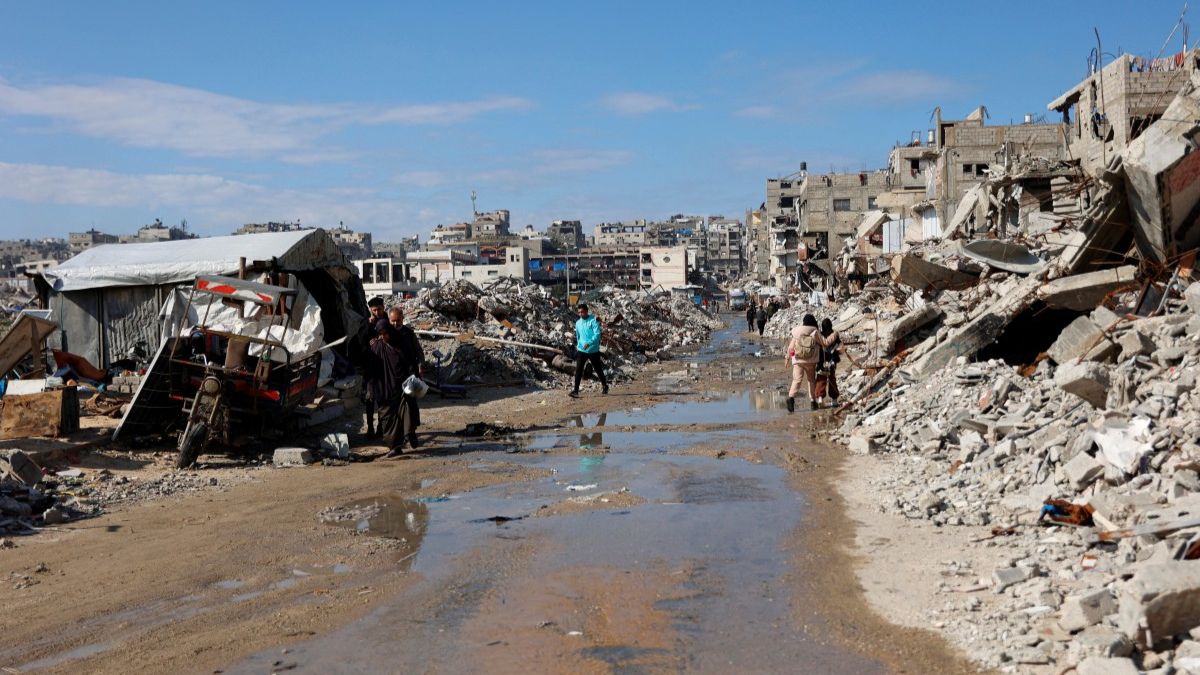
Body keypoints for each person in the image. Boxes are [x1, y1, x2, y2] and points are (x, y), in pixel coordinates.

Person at [367, 317, 421, 458]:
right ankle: (394, 446)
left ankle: (410, 434)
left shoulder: (401, 343)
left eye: (386, 333)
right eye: (381, 334)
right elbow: (371, 370)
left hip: (402, 386)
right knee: (387, 418)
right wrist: (370, 388)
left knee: (407, 410)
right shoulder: (376, 347)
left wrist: (414, 377)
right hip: (384, 389)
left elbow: (410, 363)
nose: (384, 337)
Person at [389, 307, 425, 445]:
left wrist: (421, 365)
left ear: (403, 319)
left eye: (398, 321)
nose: (395, 324)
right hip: (394, 376)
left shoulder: (409, 334)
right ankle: (405, 434)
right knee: (398, 406)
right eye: (393, 321)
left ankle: (410, 432)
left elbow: (418, 351)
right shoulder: (387, 334)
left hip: (410, 374)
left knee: (410, 404)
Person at [784, 314, 830, 412]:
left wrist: (788, 358)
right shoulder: (814, 331)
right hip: (811, 361)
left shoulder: (796, 332)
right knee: (811, 381)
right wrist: (834, 338)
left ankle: (791, 399)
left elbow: (791, 347)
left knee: (797, 380)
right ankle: (813, 402)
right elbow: (824, 343)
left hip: (797, 360)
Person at [569, 303, 608, 398]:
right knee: (578, 370)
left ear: (586, 311)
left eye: (582, 312)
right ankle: (576, 391)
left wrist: (589, 343)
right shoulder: (578, 323)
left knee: (598, 369)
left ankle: (605, 386)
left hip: (593, 350)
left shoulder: (593, 321)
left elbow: (597, 334)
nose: (580, 314)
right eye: (579, 312)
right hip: (582, 350)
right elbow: (578, 336)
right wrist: (579, 346)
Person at [362, 296, 388, 437]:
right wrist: (367, 325)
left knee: (383, 399)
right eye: (374, 310)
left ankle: (380, 427)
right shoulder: (368, 323)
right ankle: (370, 427)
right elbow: (360, 341)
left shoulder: (389, 321)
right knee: (370, 398)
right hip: (371, 366)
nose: (377, 313)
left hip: (386, 367)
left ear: (383, 307)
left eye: (379, 309)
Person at [819, 317, 842, 407]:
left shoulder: (820, 335)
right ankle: (834, 400)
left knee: (821, 378)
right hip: (832, 360)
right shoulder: (835, 335)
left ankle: (820, 398)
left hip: (822, 360)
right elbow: (839, 346)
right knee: (832, 378)